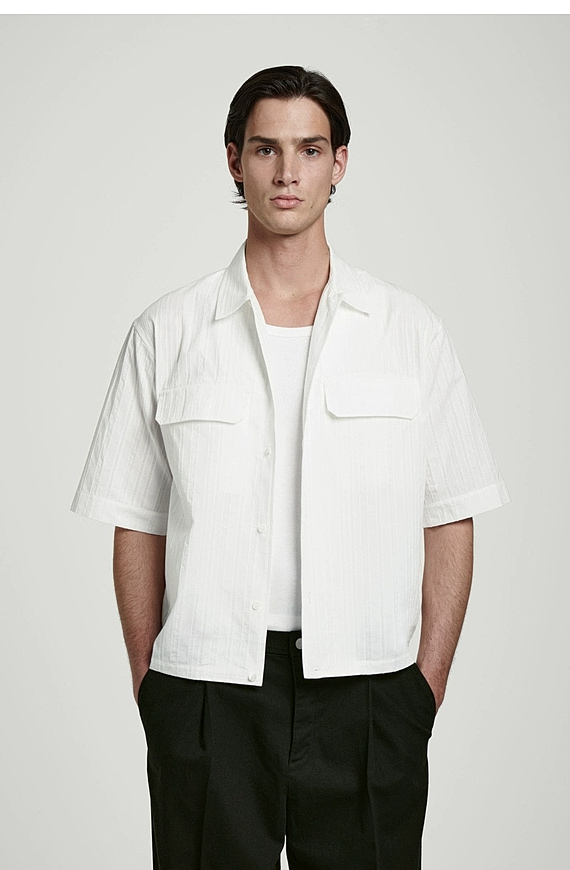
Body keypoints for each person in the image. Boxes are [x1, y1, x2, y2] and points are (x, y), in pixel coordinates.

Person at [71, 65, 510, 869]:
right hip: (208, 689)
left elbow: (451, 509)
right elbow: (136, 519)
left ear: (339, 163)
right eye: (265, 149)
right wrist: (152, 684)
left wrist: (425, 686)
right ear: (233, 160)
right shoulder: (168, 332)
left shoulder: (408, 332)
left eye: (309, 149)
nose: (287, 172)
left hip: (370, 689)